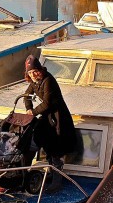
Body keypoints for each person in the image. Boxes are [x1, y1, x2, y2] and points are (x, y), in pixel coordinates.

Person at [23, 55, 76, 193]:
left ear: (40, 69)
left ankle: (56, 181)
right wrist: (28, 108)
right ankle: (24, 175)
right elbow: (26, 95)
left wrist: (32, 113)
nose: (33, 74)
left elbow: (47, 103)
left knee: (56, 147)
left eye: (35, 71)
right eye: (30, 72)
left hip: (58, 118)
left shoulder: (48, 80)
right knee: (37, 139)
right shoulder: (35, 81)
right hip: (47, 117)